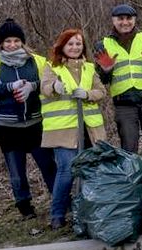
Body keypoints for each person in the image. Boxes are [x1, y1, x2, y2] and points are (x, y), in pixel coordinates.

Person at [0, 18, 56, 219]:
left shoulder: (37, 61)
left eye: (16, 41)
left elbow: (50, 83)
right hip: (6, 125)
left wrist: (32, 87)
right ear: (1, 43)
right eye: (8, 41)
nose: (12, 45)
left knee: (48, 165)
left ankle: (60, 199)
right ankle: (25, 207)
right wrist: (9, 88)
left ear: (23, 42)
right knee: (16, 171)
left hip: (36, 122)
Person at [40, 28, 106, 229]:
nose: (75, 47)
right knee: (67, 170)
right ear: (62, 46)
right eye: (70, 44)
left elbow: (101, 91)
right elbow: (45, 87)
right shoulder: (52, 67)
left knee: (91, 171)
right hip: (63, 130)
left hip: (89, 129)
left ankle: (88, 210)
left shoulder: (88, 68)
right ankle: (58, 214)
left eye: (78, 44)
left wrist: (87, 94)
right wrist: (54, 88)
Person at [94, 4, 142, 153]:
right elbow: (103, 79)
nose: (125, 22)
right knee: (128, 147)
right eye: (120, 19)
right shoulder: (104, 44)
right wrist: (106, 71)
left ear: (134, 20)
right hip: (124, 103)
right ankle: (133, 175)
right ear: (113, 21)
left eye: (129, 18)